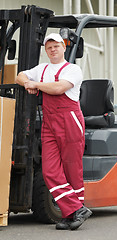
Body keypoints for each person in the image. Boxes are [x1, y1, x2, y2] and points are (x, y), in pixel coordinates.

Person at [15, 33, 92, 230]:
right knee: (49, 170)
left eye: (56, 46)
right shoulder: (42, 69)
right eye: (49, 47)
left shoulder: (73, 69)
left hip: (69, 121)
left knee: (71, 169)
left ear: (64, 47)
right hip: (49, 122)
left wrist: (36, 85)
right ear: (46, 50)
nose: (53, 50)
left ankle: (70, 214)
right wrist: (26, 83)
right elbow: (19, 75)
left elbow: (58, 88)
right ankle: (77, 209)